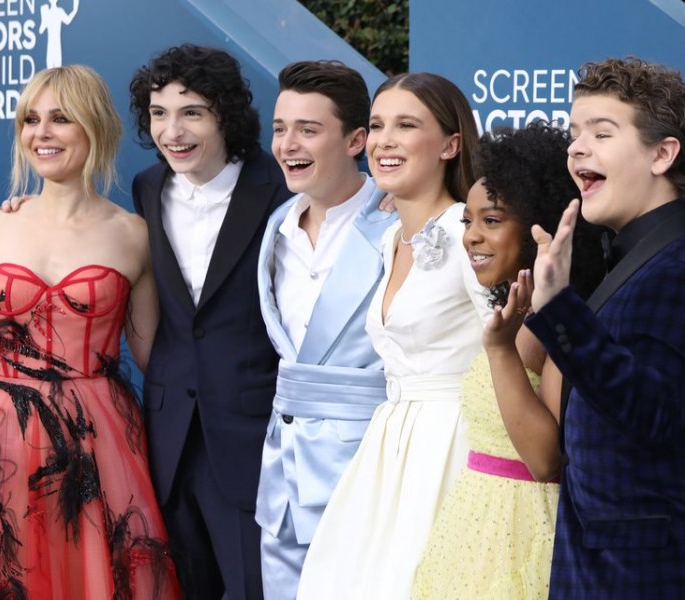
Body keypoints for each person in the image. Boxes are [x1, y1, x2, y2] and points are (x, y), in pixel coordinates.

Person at [0, 65, 181, 598]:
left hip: (98, 446)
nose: (42, 133)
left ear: (94, 126)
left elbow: (156, 361)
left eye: (60, 119)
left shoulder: (133, 234)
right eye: (30, 120)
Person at [525, 57, 685, 598]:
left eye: (601, 133)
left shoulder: (680, 272)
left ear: (662, 154)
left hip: (666, 576)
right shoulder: (647, 259)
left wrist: (559, 306)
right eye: (574, 132)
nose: (576, 148)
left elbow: (650, 412)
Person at [297, 72, 490, 599]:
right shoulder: (390, 241)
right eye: (378, 125)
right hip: (390, 445)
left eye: (406, 125)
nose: (385, 140)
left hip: (456, 445)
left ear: (450, 145)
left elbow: (513, 351)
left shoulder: (469, 233)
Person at [411, 123, 606, 599]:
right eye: (467, 221)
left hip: (527, 534)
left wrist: (500, 351)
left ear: (539, 226)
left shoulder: (560, 322)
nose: (472, 237)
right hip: (472, 528)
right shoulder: (518, 313)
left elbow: (544, 459)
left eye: (492, 220)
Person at [128, 44, 290, 599]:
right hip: (168, 439)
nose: (172, 132)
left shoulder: (280, 187)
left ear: (225, 115)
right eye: (159, 114)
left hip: (252, 437)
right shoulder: (147, 188)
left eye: (191, 112)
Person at [255, 61, 397, 599]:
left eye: (308, 130)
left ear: (356, 140)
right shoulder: (277, 227)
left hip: (365, 468)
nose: (288, 144)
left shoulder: (400, 223)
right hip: (282, 476)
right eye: (280, 128)